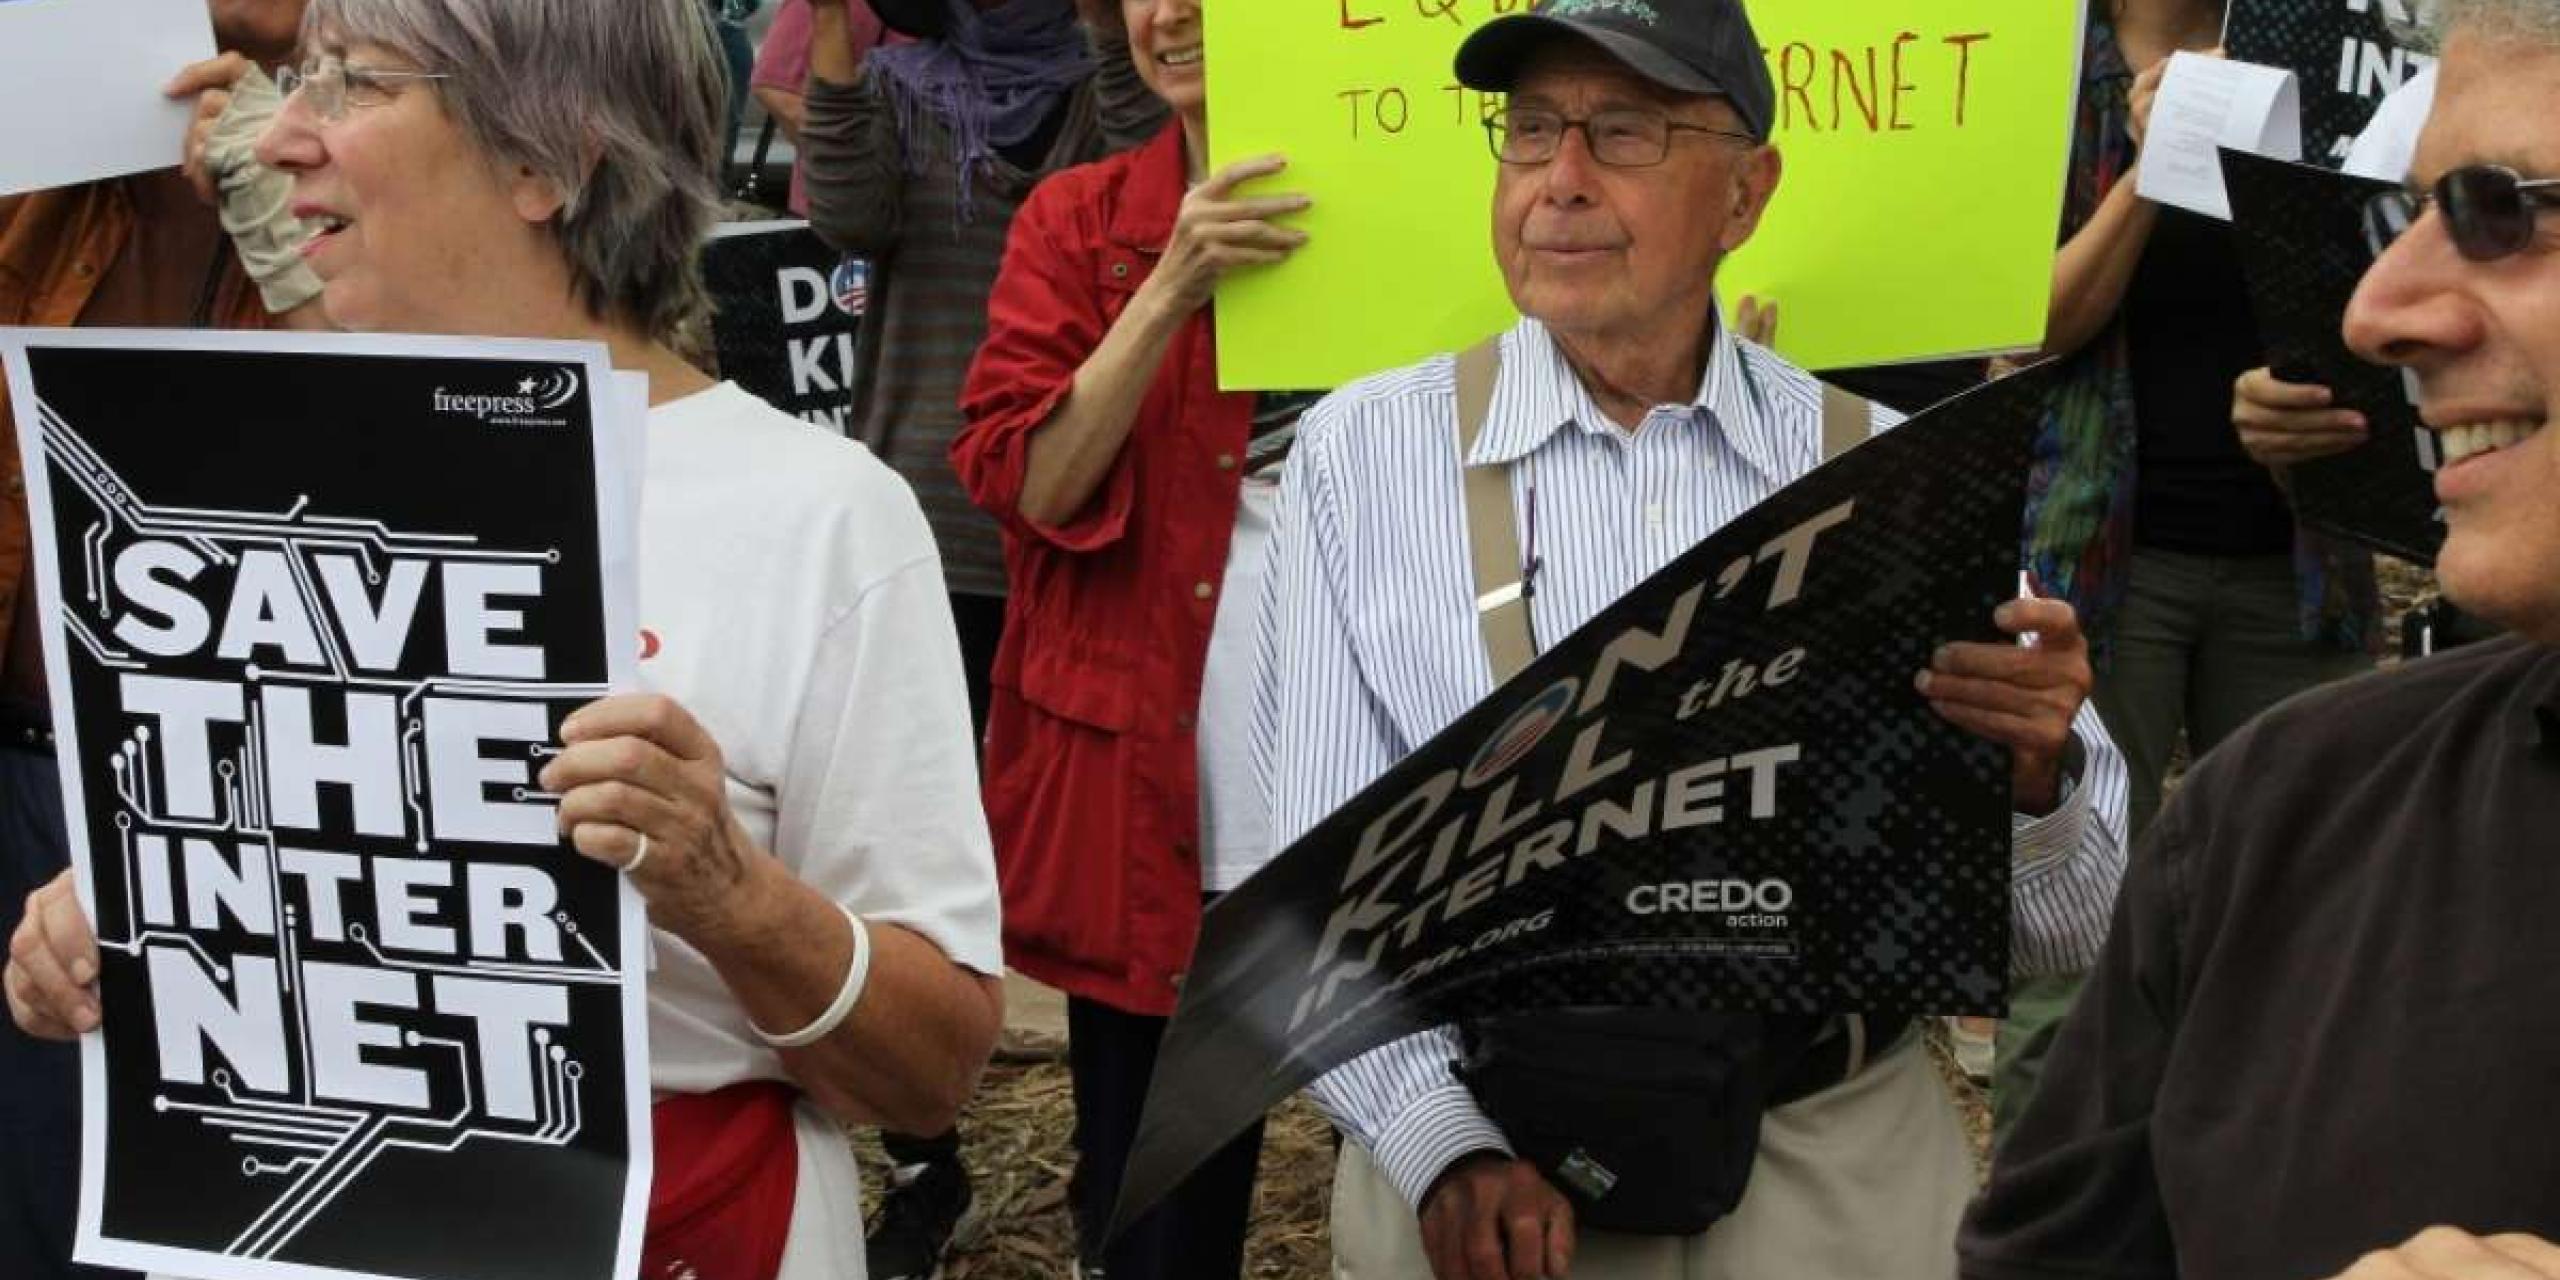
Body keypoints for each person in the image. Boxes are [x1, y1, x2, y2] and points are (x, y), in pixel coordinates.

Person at [3, 2, 1007, 1278]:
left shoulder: (816, 516)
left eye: (355, 86)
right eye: (299, 80)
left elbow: (930, 1073)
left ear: (550, 160)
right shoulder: (238, 475)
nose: (285, 131)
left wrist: (730, 893)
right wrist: (110, 919)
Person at [1249, 4, 2130, 1279]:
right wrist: (1440, 1139)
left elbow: (2076, 919)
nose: (1559, 178)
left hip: (1829, 1174)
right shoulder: (1362, 459)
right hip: (1490, 1183)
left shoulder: (1890, 475)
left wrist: (2034, 780)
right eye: (1532, 129)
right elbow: (1313, 893)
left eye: (1623, 131)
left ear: (1745, 193)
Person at [1959, 1, 2560, 1275]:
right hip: (2108, 562)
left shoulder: (2315, 47)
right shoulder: (2279, 812)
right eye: (2404, 220)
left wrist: (2306, 425)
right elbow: (2022, 312)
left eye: (2500, 210)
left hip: (2295, 575)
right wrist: (2158, 164)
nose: (2376, 307)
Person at [950, 0, 1310, 1273]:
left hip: (1372, 774)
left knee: (1440, 1170)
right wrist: (1171, 285)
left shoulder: (1456, 227)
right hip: (1158, 797)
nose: (1168, 14)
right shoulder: (1082, 220)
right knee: (1157, 1208)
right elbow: (1026, 481)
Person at [0, 4, 325, 1275]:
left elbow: (423, 441)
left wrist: (288, 214)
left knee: (194, 1202)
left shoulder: (395, 144)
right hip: (29, 754)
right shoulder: (54, 170)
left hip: (237, 792)